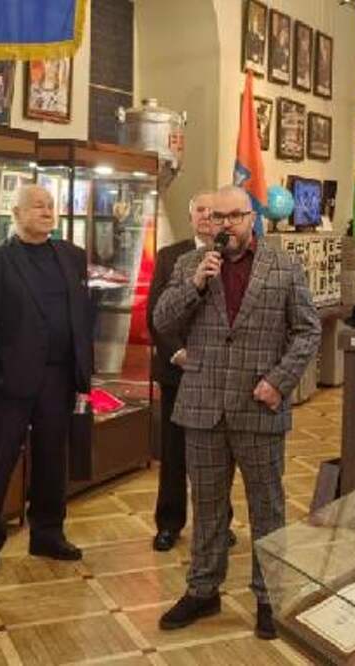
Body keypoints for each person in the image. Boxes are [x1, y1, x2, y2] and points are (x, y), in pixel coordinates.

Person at [153, 185, 320, 639]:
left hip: (258, 406)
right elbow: (163, 321)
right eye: (217, 216)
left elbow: (307, 331)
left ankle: (269, 595)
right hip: (203, 406)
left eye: (234, 215)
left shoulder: (283, 265)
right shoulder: (190, 265)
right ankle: (203, 589)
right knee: (207, 506)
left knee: (267, 506)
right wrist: (195, 285)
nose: (225, 224)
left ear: (252, 218)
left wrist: (279, 382)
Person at [0, 184, 93, 575]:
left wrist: (83, 368)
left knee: (52, 460)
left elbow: (81, 314)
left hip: (59, 378)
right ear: (16, 212)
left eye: (51, 205)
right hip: (7, 381)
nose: (47, 211)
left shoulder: (72, 255)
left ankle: (48, 534)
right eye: (38, 206)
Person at [146, 190, 213, 552]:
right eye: (199, 210)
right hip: (177, 370)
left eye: (212, 211)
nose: (206, 216)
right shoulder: (170, 256)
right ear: (191, 217)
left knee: (215, 454)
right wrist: (176, 353)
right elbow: (155, 314)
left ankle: (217, 523)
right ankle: (169, 524)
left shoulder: (234, 256)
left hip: (217, 374)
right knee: (174, 453)